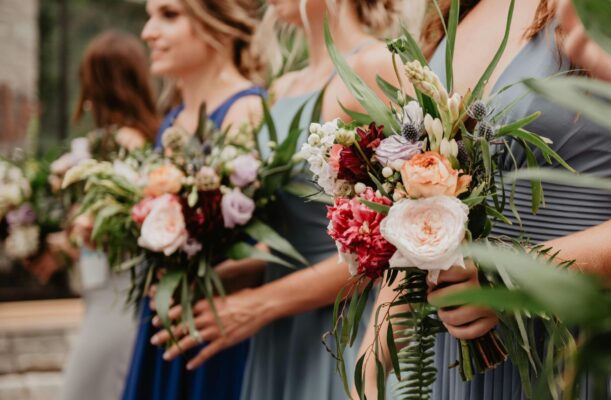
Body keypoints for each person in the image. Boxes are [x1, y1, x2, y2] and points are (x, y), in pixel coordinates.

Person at [364, 0, 611, 398]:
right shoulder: (461, 10)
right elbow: (415, 215)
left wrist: (513, 276)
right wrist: (368, 372)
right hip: (455, 370)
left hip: (576, 353)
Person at [146, 0, 409, 398]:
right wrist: (230, 275)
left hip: (340, 327)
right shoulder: (284, 87)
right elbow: (293, 231)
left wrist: (260, 303)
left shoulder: (375, 65)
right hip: (278, 332)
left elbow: (395, 244)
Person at [121, 0, 267, 399]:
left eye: (168, 15)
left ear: (216, 23)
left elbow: (267, 244)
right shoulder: (172, 118)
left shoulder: (247, 111)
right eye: (150, 17)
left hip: (216, 329)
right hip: (163, 319)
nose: (149, 32)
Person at [53, 30, 159, 400]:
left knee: (83, 391)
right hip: (103, 289)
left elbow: (119, 222)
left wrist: (75, 231)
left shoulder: (127, 143)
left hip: (119, 291)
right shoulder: (118, 139)